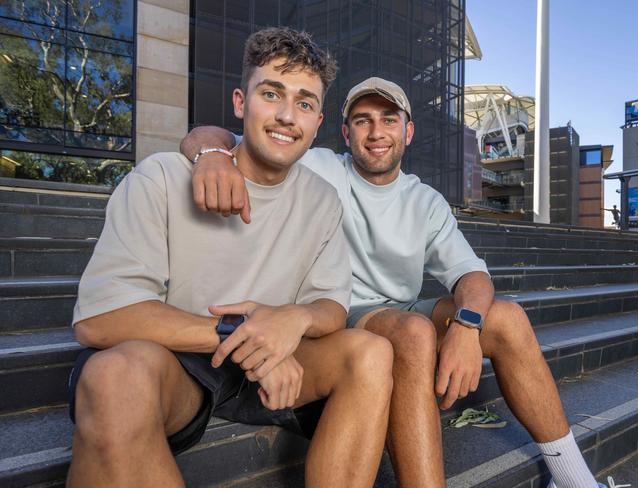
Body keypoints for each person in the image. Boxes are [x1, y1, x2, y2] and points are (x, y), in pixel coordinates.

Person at [180, 77, 606, 488]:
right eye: (363, 120)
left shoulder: (424, 200)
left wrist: (467, 325)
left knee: (507, 319)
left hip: (398, 312)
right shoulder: (320, 166)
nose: (376, 131)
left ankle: (575, 480)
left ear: (409, 130)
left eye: (389, 118)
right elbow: (209, 135)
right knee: (414, 332)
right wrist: (214, 154)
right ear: (346, 133)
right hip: (335, 315)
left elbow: (471, 274)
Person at [66, 28, 394, 488]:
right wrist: (248, 338)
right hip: (179, 361)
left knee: (372, 352)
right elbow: (100, 318)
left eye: (303, 103)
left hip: (279, 365)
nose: (285, 116)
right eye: (271, 93)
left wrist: (294, 319)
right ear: (240, 103)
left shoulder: (322, 200)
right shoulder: (160, 178)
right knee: (113, 377)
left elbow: (332, 309)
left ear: (318, 122)